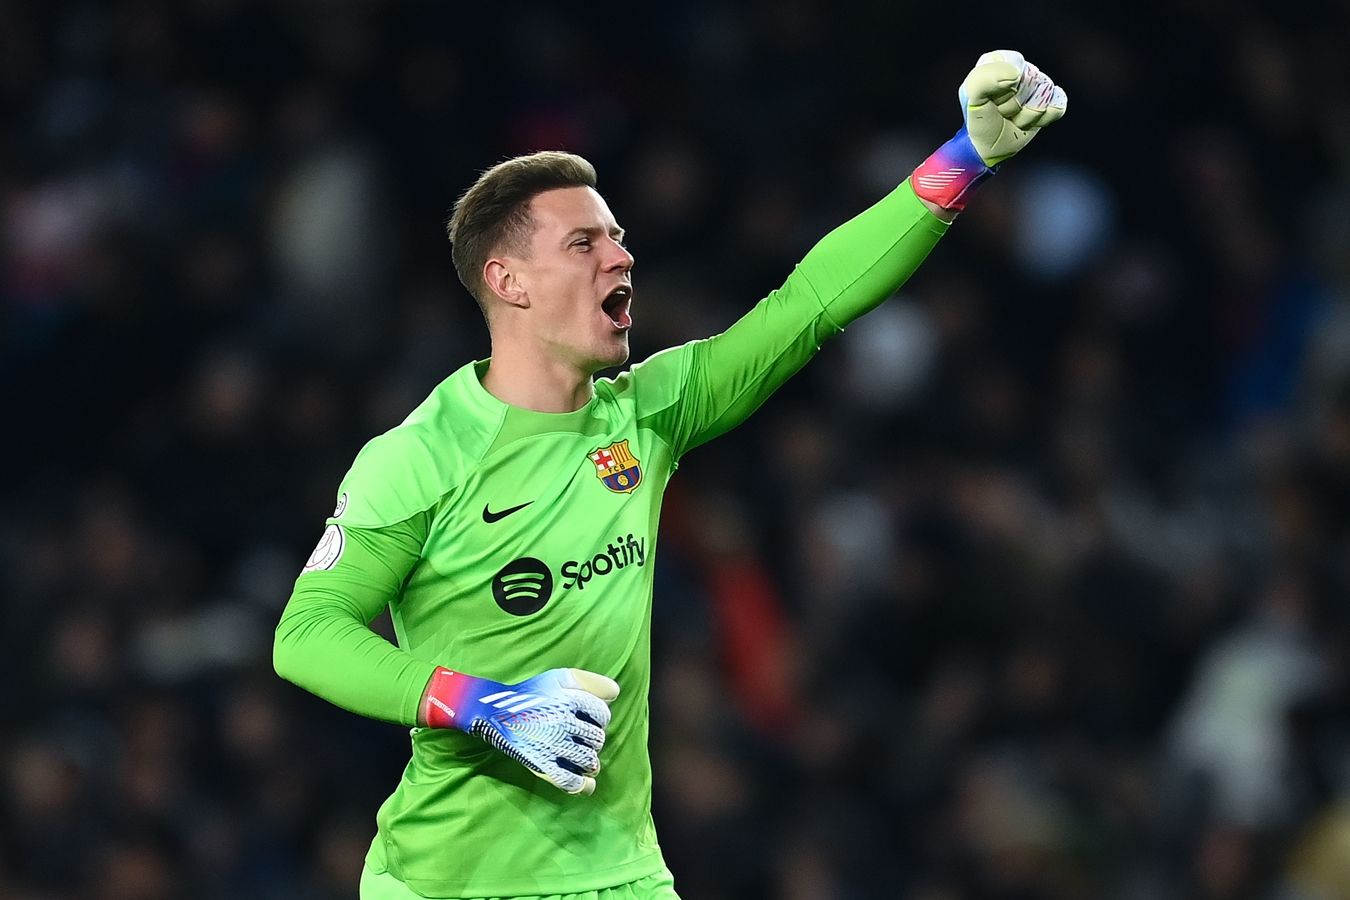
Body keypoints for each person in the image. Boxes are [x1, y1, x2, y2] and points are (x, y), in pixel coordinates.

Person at [273, 50, 1066, 900]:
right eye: (584, 243)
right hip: (449, 883)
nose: (620, 257)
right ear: (509, 282)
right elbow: (306, 635)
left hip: (622, 875)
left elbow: (809, 305)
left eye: (617, 236)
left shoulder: (647, 415)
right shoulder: (421, 456)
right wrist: (477, 703)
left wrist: (966, 156)